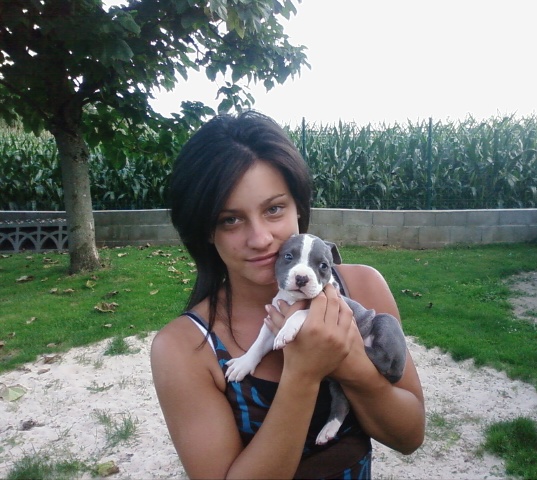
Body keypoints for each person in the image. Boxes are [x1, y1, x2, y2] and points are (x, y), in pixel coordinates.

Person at [151, 111, 425, 479]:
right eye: (230, 219)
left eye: (274, 209)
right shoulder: (185, 347)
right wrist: (304, 373)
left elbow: (409, 436)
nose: (260, 238)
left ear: (299, 208)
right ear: (205, 231)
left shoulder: (363, 288)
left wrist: (349, 364)